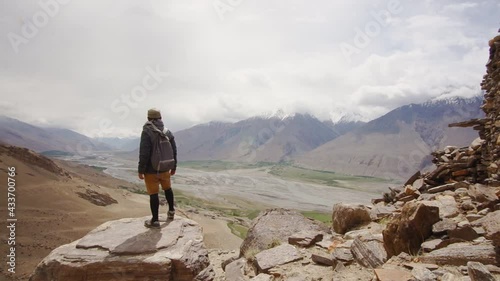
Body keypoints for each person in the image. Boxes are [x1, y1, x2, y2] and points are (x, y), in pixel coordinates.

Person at [138, 108, 177, 228]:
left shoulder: (147, 131)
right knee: (167, 189)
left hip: (151, 170)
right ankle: (171, 212)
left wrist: (141, 169)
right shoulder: (167, 131)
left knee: (153, 194)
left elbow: (144, 152)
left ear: (148, 118)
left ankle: (155, 220)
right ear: (160, 118)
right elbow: (174, 150)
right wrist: (173, 166)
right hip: (165, 167)